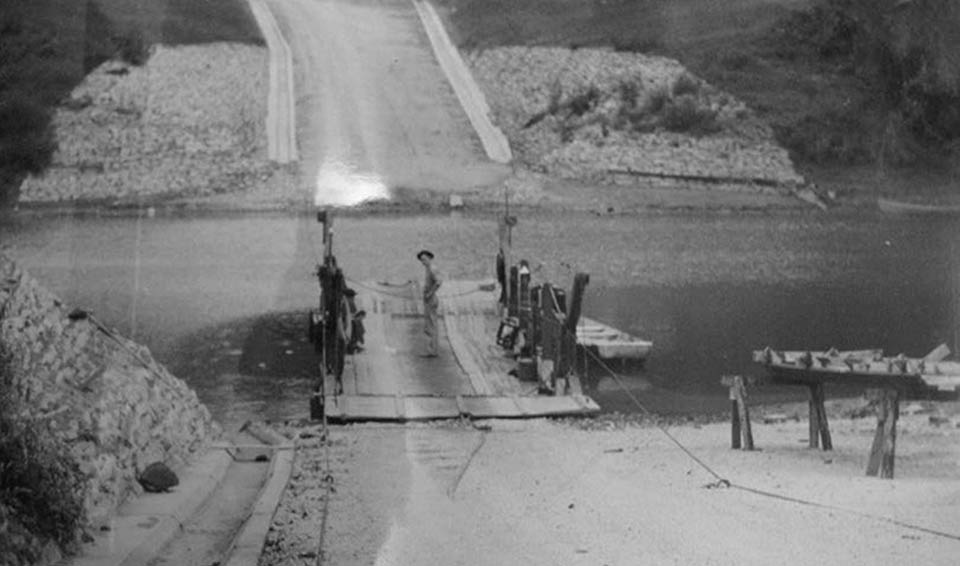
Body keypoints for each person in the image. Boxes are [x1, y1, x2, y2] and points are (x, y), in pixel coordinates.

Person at [417, 249, 442, 357]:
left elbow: (438, 282)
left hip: (431, 299)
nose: (423, 262)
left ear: (429, 258)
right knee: (429, 325)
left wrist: (430, 293)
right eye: (421, 260)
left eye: (424, 259)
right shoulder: (428, 269)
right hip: (428, 299)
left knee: (432, 325)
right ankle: (431, 349)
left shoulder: (432, 269)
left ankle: (433, 350)